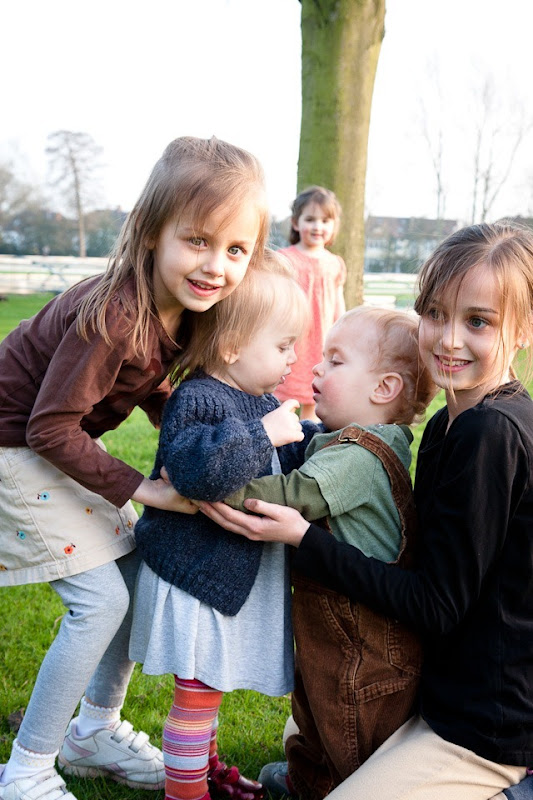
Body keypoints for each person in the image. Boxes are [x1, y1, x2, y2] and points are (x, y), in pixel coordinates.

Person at [200, 221, 533, 800]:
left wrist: (307, 539)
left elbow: (435, 606)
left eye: (478, 321)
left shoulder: (491, 434)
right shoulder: (449, 423)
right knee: (312, 729)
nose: (449, 339)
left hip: (485, 722)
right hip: (437, 685)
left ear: (523, 329)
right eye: (435, 314)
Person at [0, 135, 270, 800]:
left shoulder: (180, 310)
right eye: (198, 241)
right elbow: (48, 426)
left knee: (133, 573)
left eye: (236, 249)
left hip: (44, 444)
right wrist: (147, 488)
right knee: (100, 602)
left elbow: (145, 379)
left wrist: (181, 424)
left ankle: (93, 731)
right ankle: (27, 768)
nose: (216, 265)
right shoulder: (116, 315)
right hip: (12, 449)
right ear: (151, 232)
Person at [222, 306, 435, 800]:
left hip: (365, 644)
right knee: (317, 706)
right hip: (339, 627)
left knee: (349, 723)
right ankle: (309, 776)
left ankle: (336, 786)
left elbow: (292, 495)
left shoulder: (359, 455)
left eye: (336, 361)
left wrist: (212, 483)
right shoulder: (351, 442)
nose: (316, 368)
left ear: (384, 388)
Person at [129, 249, 316, 800]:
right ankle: (185, 793)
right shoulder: (198, 398)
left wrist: (319, 440)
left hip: (222, 580)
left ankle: (206, 772)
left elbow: (283, 461)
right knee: (196, 696)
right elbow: (196, 473)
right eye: (283, 346)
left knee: (208, 689)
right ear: (232, 346)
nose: (293, 358)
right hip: (196, 581)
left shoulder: (257, 399)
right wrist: (264, 434)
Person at [275, 186, 346, 421]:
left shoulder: (335, 263)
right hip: (292, 339)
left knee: (314, 399)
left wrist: (341, 335)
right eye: (310, 219)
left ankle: (307, 438)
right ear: (296, 223)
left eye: (325, 221)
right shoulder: (285, 259)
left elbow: (338, 305)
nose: (317, 226)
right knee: (282, 394)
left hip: (321, 341)